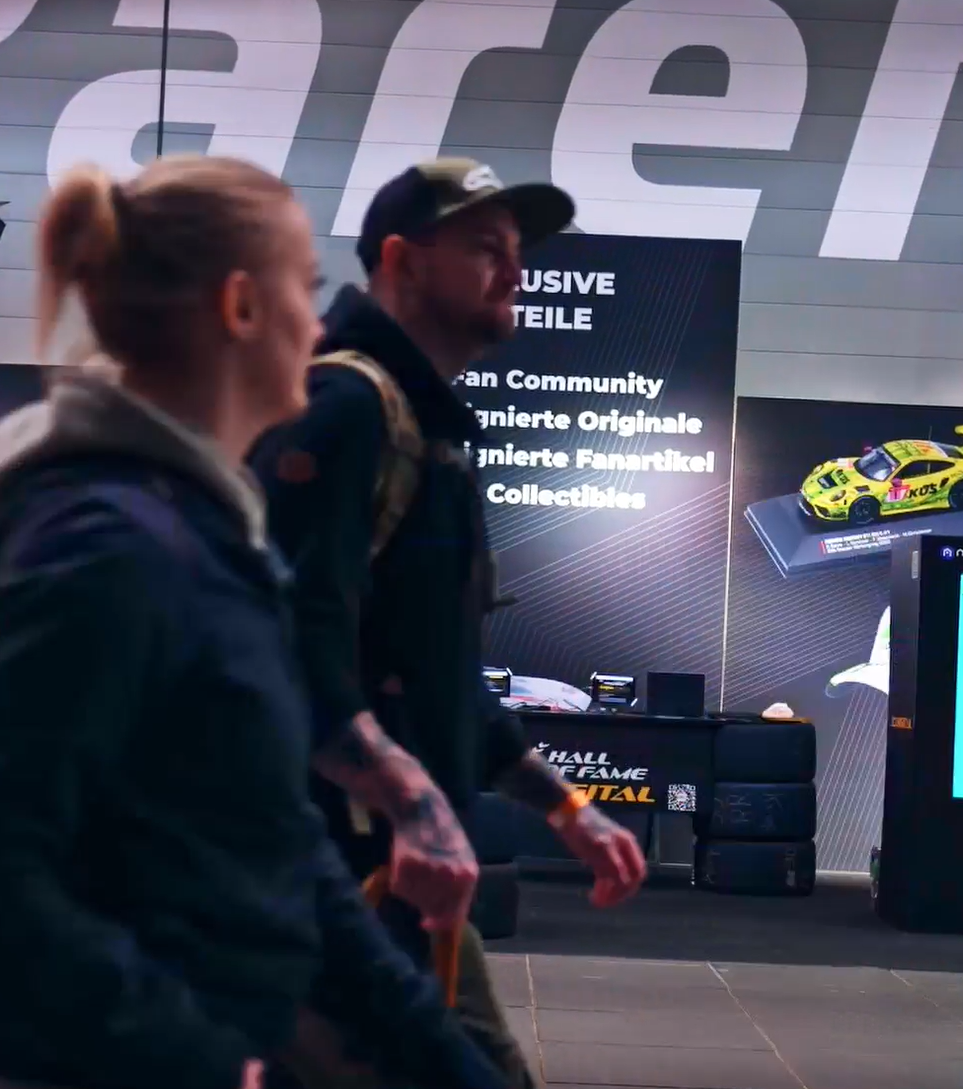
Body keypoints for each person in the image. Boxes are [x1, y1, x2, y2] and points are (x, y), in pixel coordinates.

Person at [0, 155, 506, 1089]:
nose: (322, 321)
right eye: (306, 289)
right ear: (241, 308)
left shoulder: (206, 537)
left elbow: (273, 836)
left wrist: (435, 1051)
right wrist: (199, 1057)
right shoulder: (105, 548)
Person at [249, 158, 650, 1087]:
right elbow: (283, 644)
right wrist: (413, 806)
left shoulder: (425, 432)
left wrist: (566, 806)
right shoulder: (343, 408)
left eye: (519, 254)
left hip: (395, 868)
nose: (514, 271)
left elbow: (434, 675)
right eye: (484, 248)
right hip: (322, 866)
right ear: (402, 259)